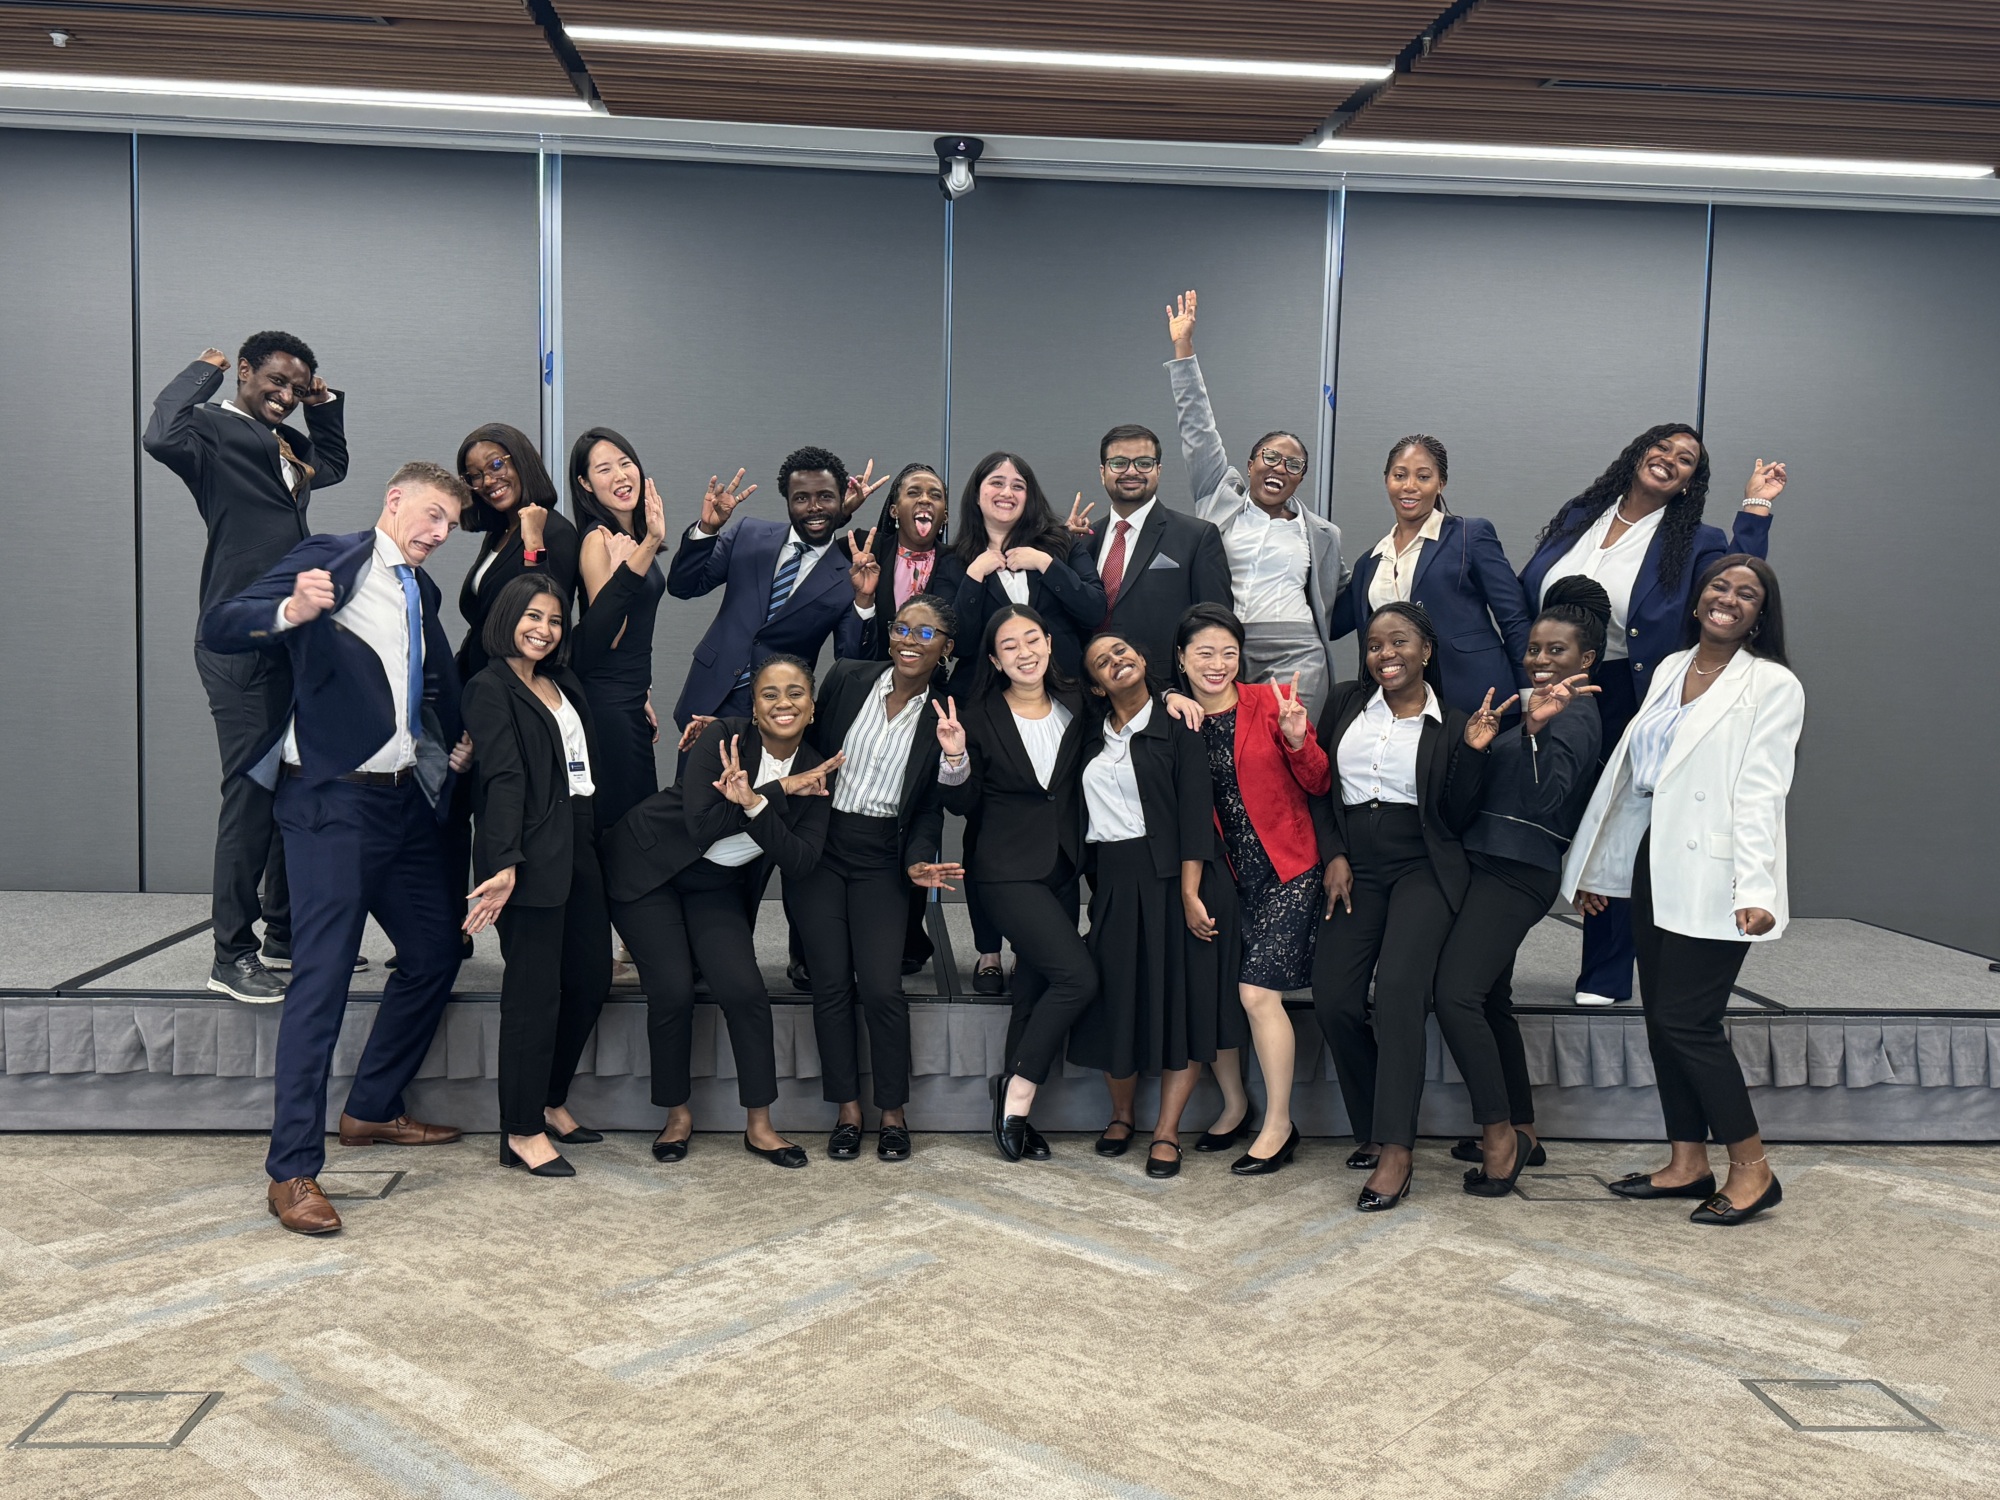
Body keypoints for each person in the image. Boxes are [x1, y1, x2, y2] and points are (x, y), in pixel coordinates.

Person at [198, 462, 474, 1236]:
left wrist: (448, 743)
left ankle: (372, 1109)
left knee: (432, 950)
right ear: (393, 501)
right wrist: (289, 607)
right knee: (319, 982)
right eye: (428, 515)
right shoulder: (334, 556)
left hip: (401, 807)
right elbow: (224, 620)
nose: (437, 533)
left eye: (449, 524)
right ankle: (292, 1171)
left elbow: (423, 680)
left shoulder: (422, 591)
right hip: (327, 801)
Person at [1566, 556, 1803, 1226]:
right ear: (1699, 600)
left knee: (1687, 1022)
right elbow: (1635, 776)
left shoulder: (1774, 686)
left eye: (1747, 593)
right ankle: (1686, 1162)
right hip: (1655, 864)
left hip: (1720, 878)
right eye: (1719, 587)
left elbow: (1762, 793)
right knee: (1660, 1019)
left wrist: (1754, 887)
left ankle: (1754, 1168)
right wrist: (1600, 867)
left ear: (1761, 613)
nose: (1729, 598)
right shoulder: (1671, 668)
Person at [1519, 426, 1787, 1007]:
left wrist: (1756, 506)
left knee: (1619, 824)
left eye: (1685, 459)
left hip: (1624, 691)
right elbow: (1528, 590)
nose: (1669, 461)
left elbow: (1736, 583)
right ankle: (1486, 964)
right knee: (1533, 812)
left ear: (1692, 480)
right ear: (1638, 454)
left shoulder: (1694, 539)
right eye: (1662, 449)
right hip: (1547, 684)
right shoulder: (1581, 514)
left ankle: (1605, 977)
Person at [144, 332, 348, 1003]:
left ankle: (284, 932)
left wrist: (324, 404)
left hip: (289, 640)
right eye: (277, 383)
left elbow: (334, 467)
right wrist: (203, 367)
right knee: (251, 794)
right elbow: (158, 434)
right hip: (239, 640)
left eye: (296, 388)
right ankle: (231, 954)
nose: (285, 397)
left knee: (292, 785)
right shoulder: (208, 430)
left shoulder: (284, 441)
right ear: (245, 371)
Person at [599, 657, 839, 1169]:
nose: (782, 703)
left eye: (795, 693)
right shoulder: (722, 739)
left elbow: (800, 861)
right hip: (649, 869)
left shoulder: (816, 772)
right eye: (768, 694)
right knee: (671, 988)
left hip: (715, 886)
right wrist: (779, 793)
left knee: (745, 990)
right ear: (753, 707)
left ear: (812, 709)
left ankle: (760, 1125)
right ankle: (678, 1116)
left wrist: (757, 803)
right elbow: (702, 825)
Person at [1311, 602, 1493, 1213]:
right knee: (1334, 996)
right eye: (1374, 644)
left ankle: (1396, 1149)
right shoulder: (1342, 704)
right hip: (1353, 865)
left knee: (1397, 994)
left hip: (1423, 866)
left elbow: (1459, 817)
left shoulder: (1455, 723)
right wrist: (1333, 853)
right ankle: (1372, 1121)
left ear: (1427, 650)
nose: (1386, 654)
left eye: (1400, 642)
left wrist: (1473, 755)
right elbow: (1318, 789)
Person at [1434, 578, 1610, 1196]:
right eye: (1534, 648)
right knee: (1488, 1000)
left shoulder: (1577, 711)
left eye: (1556, 651)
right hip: (1491, 862)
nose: (1539, 659)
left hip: (1516, 870)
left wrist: (1535, 730)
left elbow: (1545, 799)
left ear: (1586, 659)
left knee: (1455, 994)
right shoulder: (1535, 704)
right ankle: (1524, 1128)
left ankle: (1499, 1138)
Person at [1066, 631, 1236, 1180]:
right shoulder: (1089, 735)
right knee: (1118, 999)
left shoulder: (1179, 725)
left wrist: (1190, 892)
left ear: (1143, 658)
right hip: (1114, 878)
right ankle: (1121, 1117)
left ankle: (1166, 1130)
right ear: (1094, 684)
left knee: (1178, 1003)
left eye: (1123, 651)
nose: (1117, 660)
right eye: (1103, 661)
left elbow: (1194, 815)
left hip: (1176, 878)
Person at [459, 575, 612, 1179]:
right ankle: (520, 1129)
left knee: (591, 978)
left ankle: (549, 1100)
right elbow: (502, 779)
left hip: (579, 839)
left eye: (553, 619)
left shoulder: (559, 681)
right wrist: (503, 863)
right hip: (526, 851)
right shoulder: (488, 687)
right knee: (533, 995)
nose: (544, 629)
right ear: (506, 618)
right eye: (532, 616)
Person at [795, 597, 958, 1162]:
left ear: (945, 647)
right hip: (821, 847)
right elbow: (798, 738)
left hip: (884, 858)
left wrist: (917, 860)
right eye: (902, 627)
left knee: (883, 989)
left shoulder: (945, 713)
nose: (911, 639)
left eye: (926, 631)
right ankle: (847, 1111)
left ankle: (893, 1111)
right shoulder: (847, 677)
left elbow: (938, 803)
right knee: (831, 985)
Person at [1174, 604, 1329, 1176]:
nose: (1217, 664)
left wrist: (1295, 740)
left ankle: (1279, 1123)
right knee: (1219, 989)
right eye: (1205, 653)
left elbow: (1318, 779)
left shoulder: (1271, 701)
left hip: (1289, 868)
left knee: (1257, 995)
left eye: (1229, 653)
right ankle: (1236, 1104)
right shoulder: (1179, 717)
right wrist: (1168, 698)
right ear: (1182, 659)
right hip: (1225, 876)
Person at [935, 605, 1095, 1162]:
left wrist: (1171, 695)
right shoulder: (976, 716)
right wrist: (954, 755)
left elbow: (1133, 705)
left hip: (1061, 866)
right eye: (1010, 646)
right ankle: (1018, 1091)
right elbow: (960, 804)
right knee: (1077, 977)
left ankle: (1014, 1112)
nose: (1024, 652)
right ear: (997, 660)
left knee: (1034, 988)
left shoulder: (1079, 702)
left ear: (1050, 644)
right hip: (1004, 870)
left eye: (1033, 638)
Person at [1164, 290, 1346, 718]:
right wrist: (1183, 348)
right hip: (1224, 650)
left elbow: (1351, 594)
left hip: (1298, 651)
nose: (1279, 467)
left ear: (1301, 477)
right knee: (1229, 753)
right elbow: (1197, 428)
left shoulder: (1322, 534)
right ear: (1249, 465)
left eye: (1294, 463)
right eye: (1270, 456)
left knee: (1288, 752)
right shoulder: (1218, 498)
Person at [440, 425, 579, 958]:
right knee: (454, 809)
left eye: (495, 465)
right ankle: (449, 929)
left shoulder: (552, 531)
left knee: (487, 808)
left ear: (521, 459)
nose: (486, 480)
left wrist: (536, 541)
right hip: (474, 688)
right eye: (474, 475)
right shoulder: (498, 532)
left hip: (508, 698)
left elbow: (541, 617)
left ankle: (470, 928)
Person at [668, 447, 887, 728]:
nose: (814, 507)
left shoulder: (848, 580)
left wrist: (865, 600)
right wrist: (707, 530)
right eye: (801, 498)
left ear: (842, 500)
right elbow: (683, 587)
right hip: (706, 697)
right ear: (787, 501)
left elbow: (852, 663)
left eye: (825, 496)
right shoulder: (748, 534)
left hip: (776, 719)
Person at [1330, 434, 1531, 713]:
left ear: (1441, 484)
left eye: (1423, 477)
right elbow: (1329, 623)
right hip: (1400, 708)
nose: (1409, 486)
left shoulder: (1469, 536)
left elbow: (1514, 618)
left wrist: (1530, 693)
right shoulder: (1370, 562)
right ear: (1387, 479)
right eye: (1400, 475)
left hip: (1476, 700)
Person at [1070, 424, 1233, 686]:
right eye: (1119, 462)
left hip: (1167, 692)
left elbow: (1215, 626)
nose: (1131, 471)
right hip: (1090, 691)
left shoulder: (1196, 537)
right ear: (1103, 473)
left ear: (1158, 470)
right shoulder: (1082, 541)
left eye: (1144, 463)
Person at [570, 428, 669, 829]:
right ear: (586, 483)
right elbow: (606, 636)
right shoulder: (599, 539)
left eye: (625, 463)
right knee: (622, 824)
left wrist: (641, 688)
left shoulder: (633, 535)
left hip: (628, 695)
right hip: (607, 704)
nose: (620, 476)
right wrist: (648, 546)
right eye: (604, 469)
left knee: (636, 816)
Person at [856, 464, 966, 659]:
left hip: (930, 683)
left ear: (945, 517)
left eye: (935, 495)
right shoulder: (867, 547)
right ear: (894, 511)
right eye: (914, 493)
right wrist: (843, 510)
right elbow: (815, 543)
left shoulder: (959, 563)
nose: (924, 499)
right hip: (869, 674)